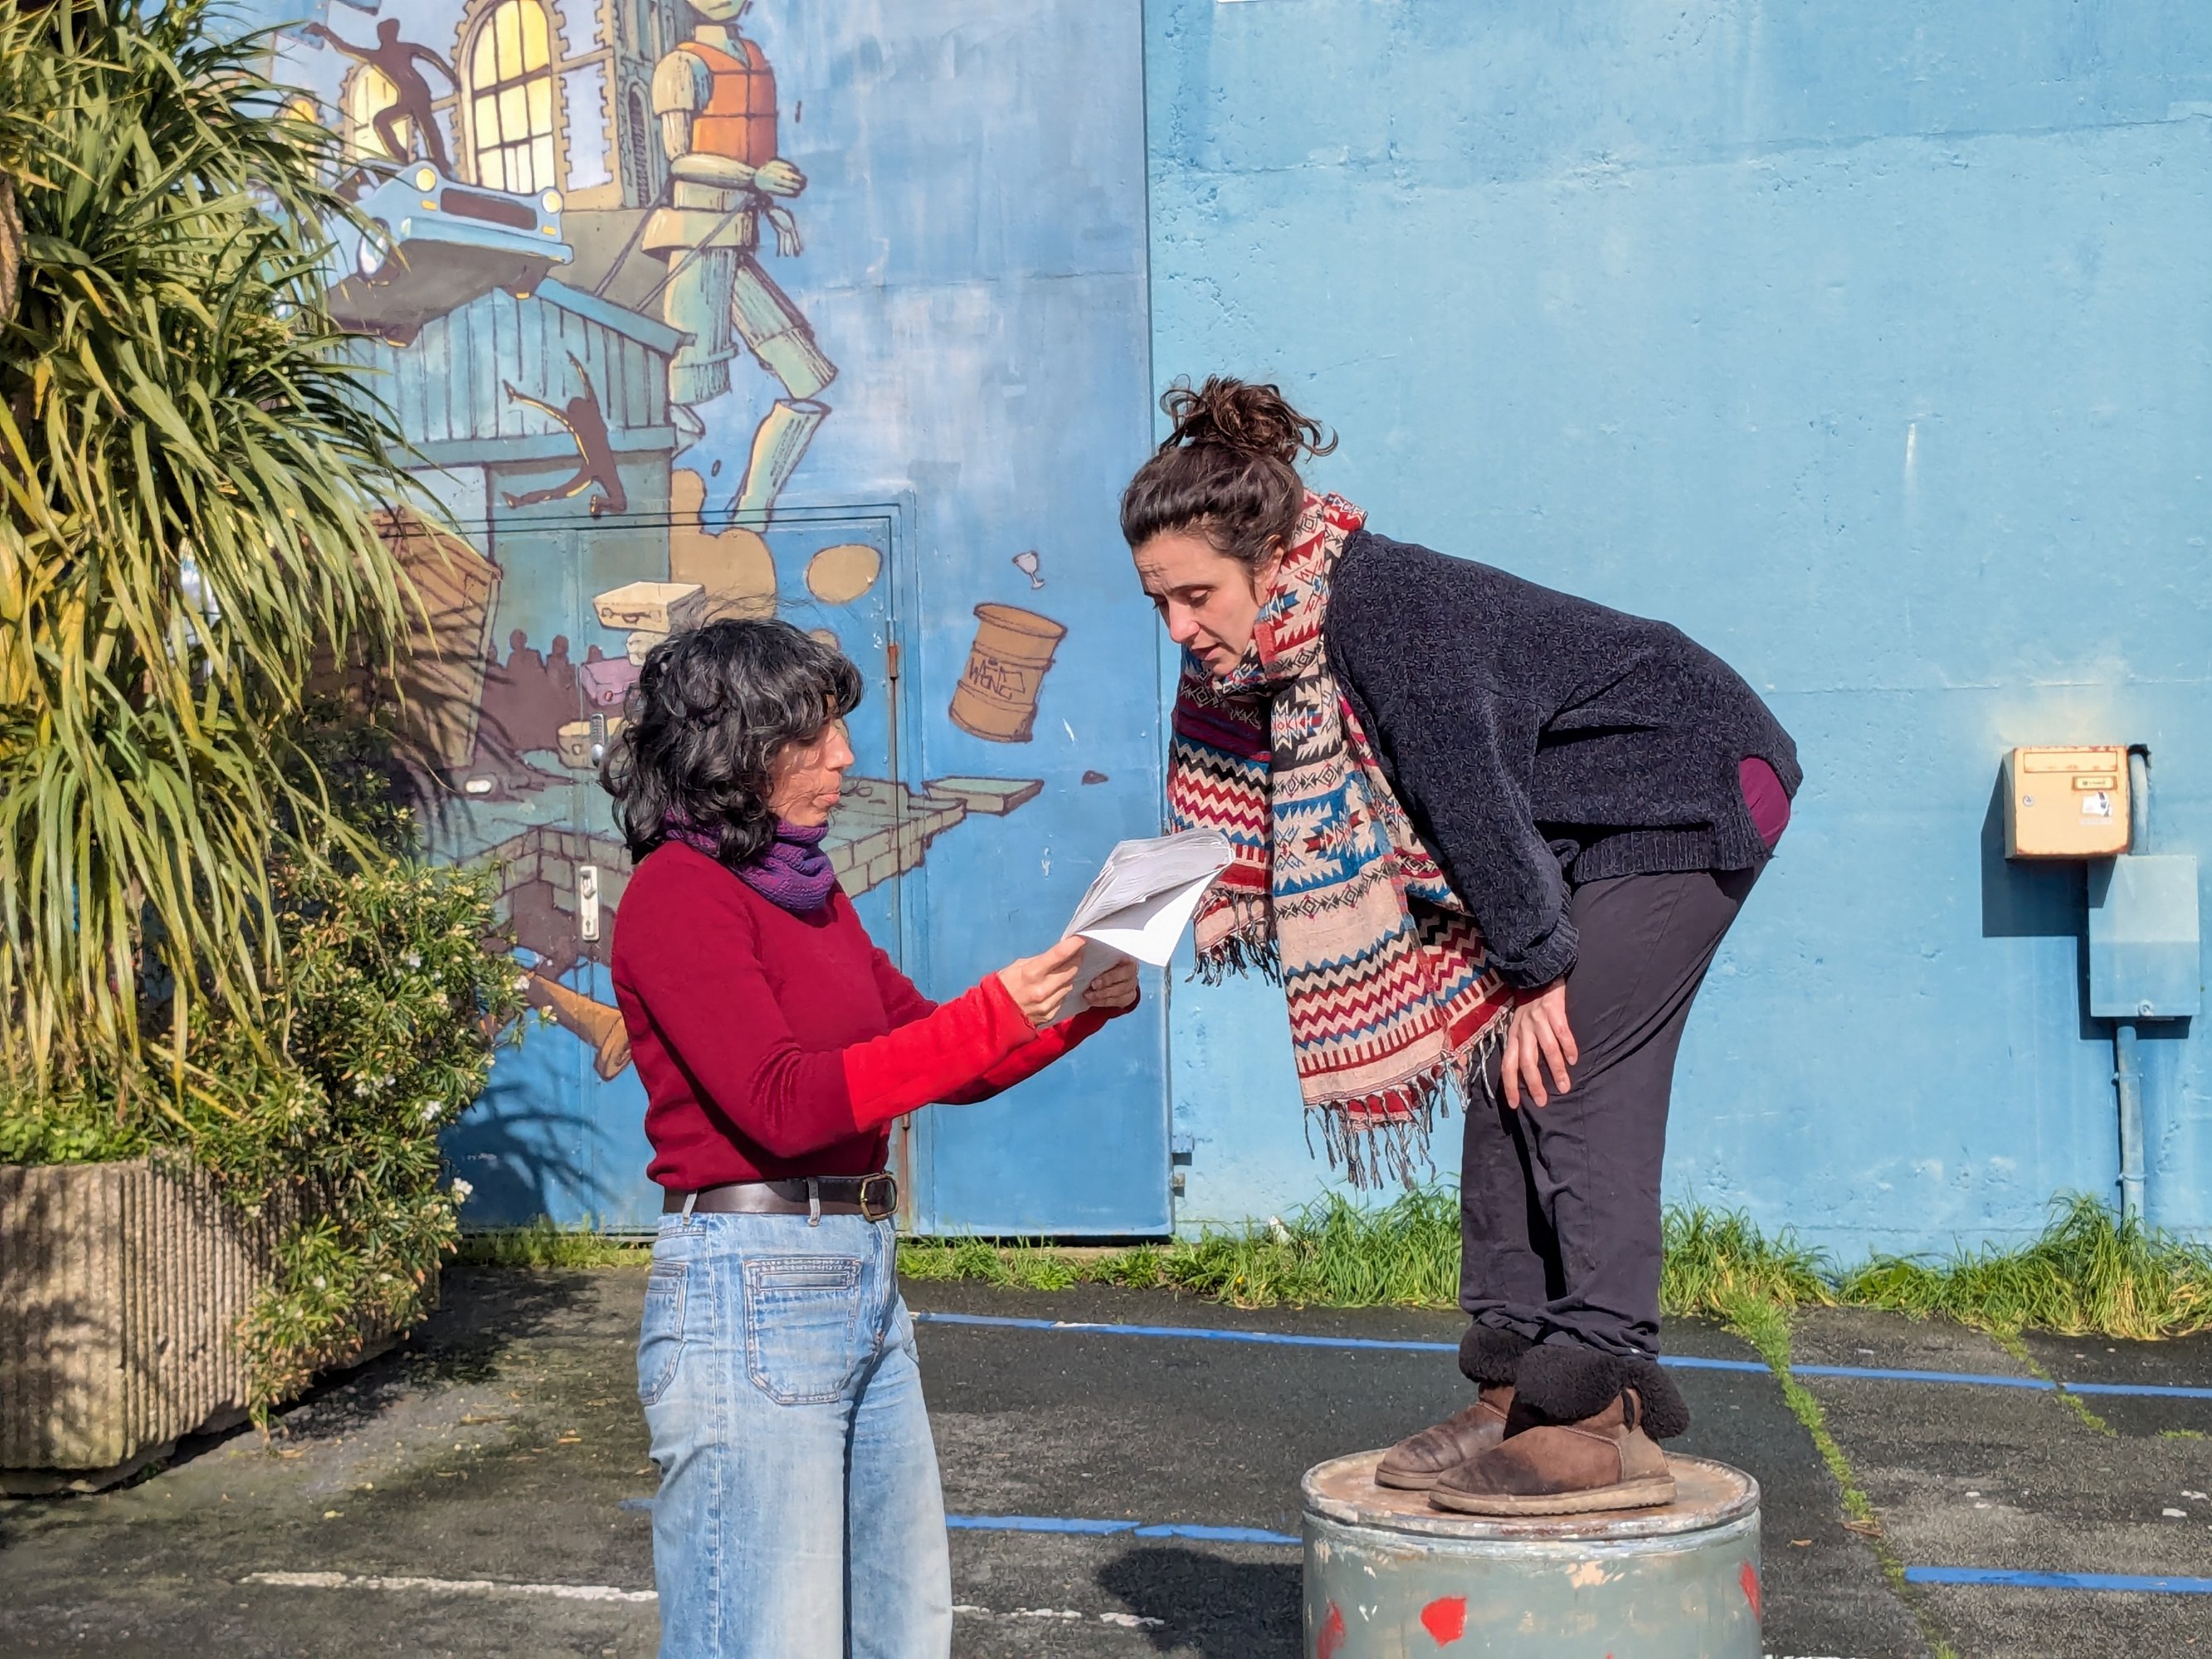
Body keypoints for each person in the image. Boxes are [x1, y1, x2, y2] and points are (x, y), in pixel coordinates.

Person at [1123, 378, 1798, 1516]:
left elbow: (1464, 796)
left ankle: (1595, 1408)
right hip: (1570, 823)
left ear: (1270, 559)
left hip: (1687, 786)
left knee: (1569, 1068)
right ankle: (1510, 1387)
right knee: (1500, 1076)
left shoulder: (1384, 613)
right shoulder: (1276, 651)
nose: (1181, 629)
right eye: (1159, 603)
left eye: (1196, 596)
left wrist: (1537, 971)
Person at [603, 619, 1138, 1657]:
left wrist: (1072, 1007)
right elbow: (781, 1102)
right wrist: (994, 1011)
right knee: (769, 1636)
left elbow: (934, 1056)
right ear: (738, 746)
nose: (844, 755)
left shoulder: (808, 891)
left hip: (854, 1273)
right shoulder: (677, 891)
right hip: (747, 1280)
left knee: (899, 1626)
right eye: (814, 735)